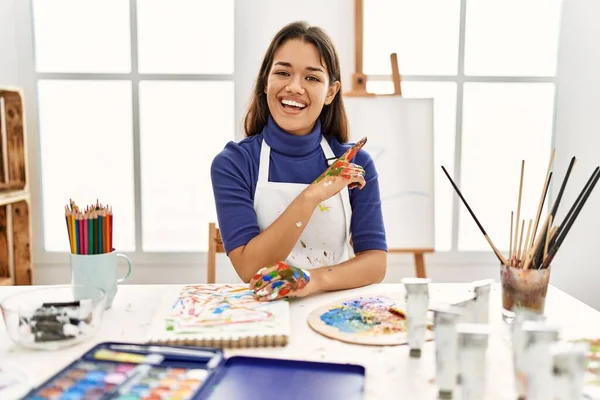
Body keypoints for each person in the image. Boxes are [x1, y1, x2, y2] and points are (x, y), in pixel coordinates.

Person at [210, 21, 388, 301]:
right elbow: (249, 268)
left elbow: (375, 262)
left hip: (331, 308)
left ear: (331, 92)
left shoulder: (355, 162)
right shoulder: (234, 163)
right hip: (258, 313)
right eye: (283, 72)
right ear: (265, 83)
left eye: (312, 78)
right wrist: (313, 195)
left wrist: (312, 281)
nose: (294, 87)